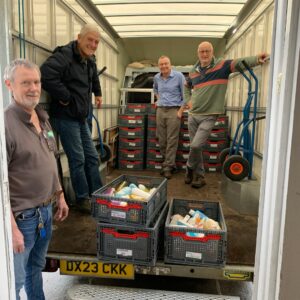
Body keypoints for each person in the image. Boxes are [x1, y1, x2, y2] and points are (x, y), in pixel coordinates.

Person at [4, 58, 69, 300]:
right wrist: (11, 229)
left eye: (37, 82)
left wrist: (59, 195)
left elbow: (51, 159)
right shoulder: (6, 125)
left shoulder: (41, 117)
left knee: (35, 269)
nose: (33, 88)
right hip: (23, 219)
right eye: (26, 83)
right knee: (15, 281)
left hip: (45, 212)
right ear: (9, 85)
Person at [184, 41, 268, 188]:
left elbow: (239, 63)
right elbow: (186, 86)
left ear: (212, 52)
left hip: (210, 114)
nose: (204, 54)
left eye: (207, 51)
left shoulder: (222, 66)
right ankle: (200, 176)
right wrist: (188, 100)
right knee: (194, 147)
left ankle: (190, 167)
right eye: (202, 51)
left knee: (196, 146)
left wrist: (256, 59)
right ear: (198, 53)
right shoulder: (193, 70)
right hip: (193, 114)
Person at [40, 24, 103, 212]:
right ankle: (82, 198)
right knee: (78, 158)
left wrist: (98, 93)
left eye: (96, 42)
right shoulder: (65, 55)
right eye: (90, 40)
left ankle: (99, 194)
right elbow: (45, 74)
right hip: (66, 117)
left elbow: (94, 78)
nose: (93, 44)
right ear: (79, 38)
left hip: (81, 116)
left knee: (92, 157)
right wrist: (65, 97)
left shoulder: (89, 59)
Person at [153, 55, 185, 179]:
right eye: (161, 64)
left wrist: (180, 111)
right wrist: (158, 99)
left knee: (172, 139)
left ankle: (167, 167)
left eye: (166, 63)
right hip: (160, 110)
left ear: (170, 64)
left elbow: (186, 95)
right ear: (158, 66)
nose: (164, 66)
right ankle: (171, 164)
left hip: (174, 110)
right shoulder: (156, 77)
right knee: (161, 139)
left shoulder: (179, 76)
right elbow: (155, 89)